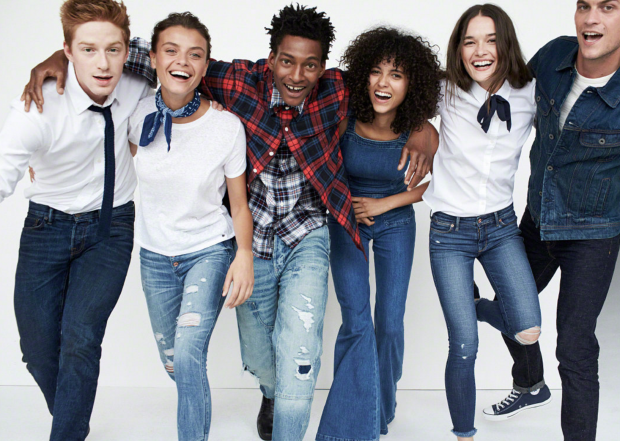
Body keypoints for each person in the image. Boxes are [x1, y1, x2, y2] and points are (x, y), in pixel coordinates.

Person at [21, 5, 435, 440]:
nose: (297, 75)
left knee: (299, 354)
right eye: (287, 61)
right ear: (271, 59)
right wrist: (61, 57)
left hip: (307, 232)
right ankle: (270, 391)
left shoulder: (336, 88)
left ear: (323, 66)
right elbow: (146, 55)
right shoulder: (237, 81)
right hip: (252, 236)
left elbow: (398, 91)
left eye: (310, 65)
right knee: (258, 355)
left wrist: (425, 130)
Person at [0, 0, 150, 439]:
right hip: (46, 227)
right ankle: (73, 420)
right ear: (67, 51)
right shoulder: (37, 108)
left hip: (111, 227)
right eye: (87, 50)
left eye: (113, 50)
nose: (103, 64)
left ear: (127, 50)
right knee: (36, 350)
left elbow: (179, 55)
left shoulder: (138, 83)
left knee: (81, 340)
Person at [482, 1, 620, 439]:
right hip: (538, 218)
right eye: (584, 6)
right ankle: (530, 384)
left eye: (608, 7)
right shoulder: (555, 55)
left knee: (575, 348)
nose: (591, 18)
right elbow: (498, 93)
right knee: (511, 309)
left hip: (593, 235)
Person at [411, 4, 543, 440]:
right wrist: (420, 129)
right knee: (464, 345)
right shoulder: (446, 90)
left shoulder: (530, 92)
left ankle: (472, 305)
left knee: (528, 330)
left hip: (502, 227)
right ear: (458, 48)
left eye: (490, 40)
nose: (480, 51)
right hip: (450, 234)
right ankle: (464, 434)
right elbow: (399, 102)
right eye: (469, 41)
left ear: (506, 45)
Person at [126, 13, 253, 441]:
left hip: (209, 250)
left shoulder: (225, 127)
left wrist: (244, 254)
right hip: (154, 256)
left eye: (195, 55)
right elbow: (102, 153)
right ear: (153, 58)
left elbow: (239, 205)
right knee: (174, 364)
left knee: (187, 354)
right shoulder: (136, 114)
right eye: (171, 51)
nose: (182, 61)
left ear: (205, 65)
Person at [315, 27, 441, 441]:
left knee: (389, 322)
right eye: (375, 71)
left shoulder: (422, 132)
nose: (383, 83)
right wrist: (347, 203)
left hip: (396, 221)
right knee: (356, 321)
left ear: (412, 84)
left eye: (396, 75)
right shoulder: (345, 117)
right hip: (347, 221)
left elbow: (439, 184)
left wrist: (384, 204)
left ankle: (382, 408)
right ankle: (352, 423)